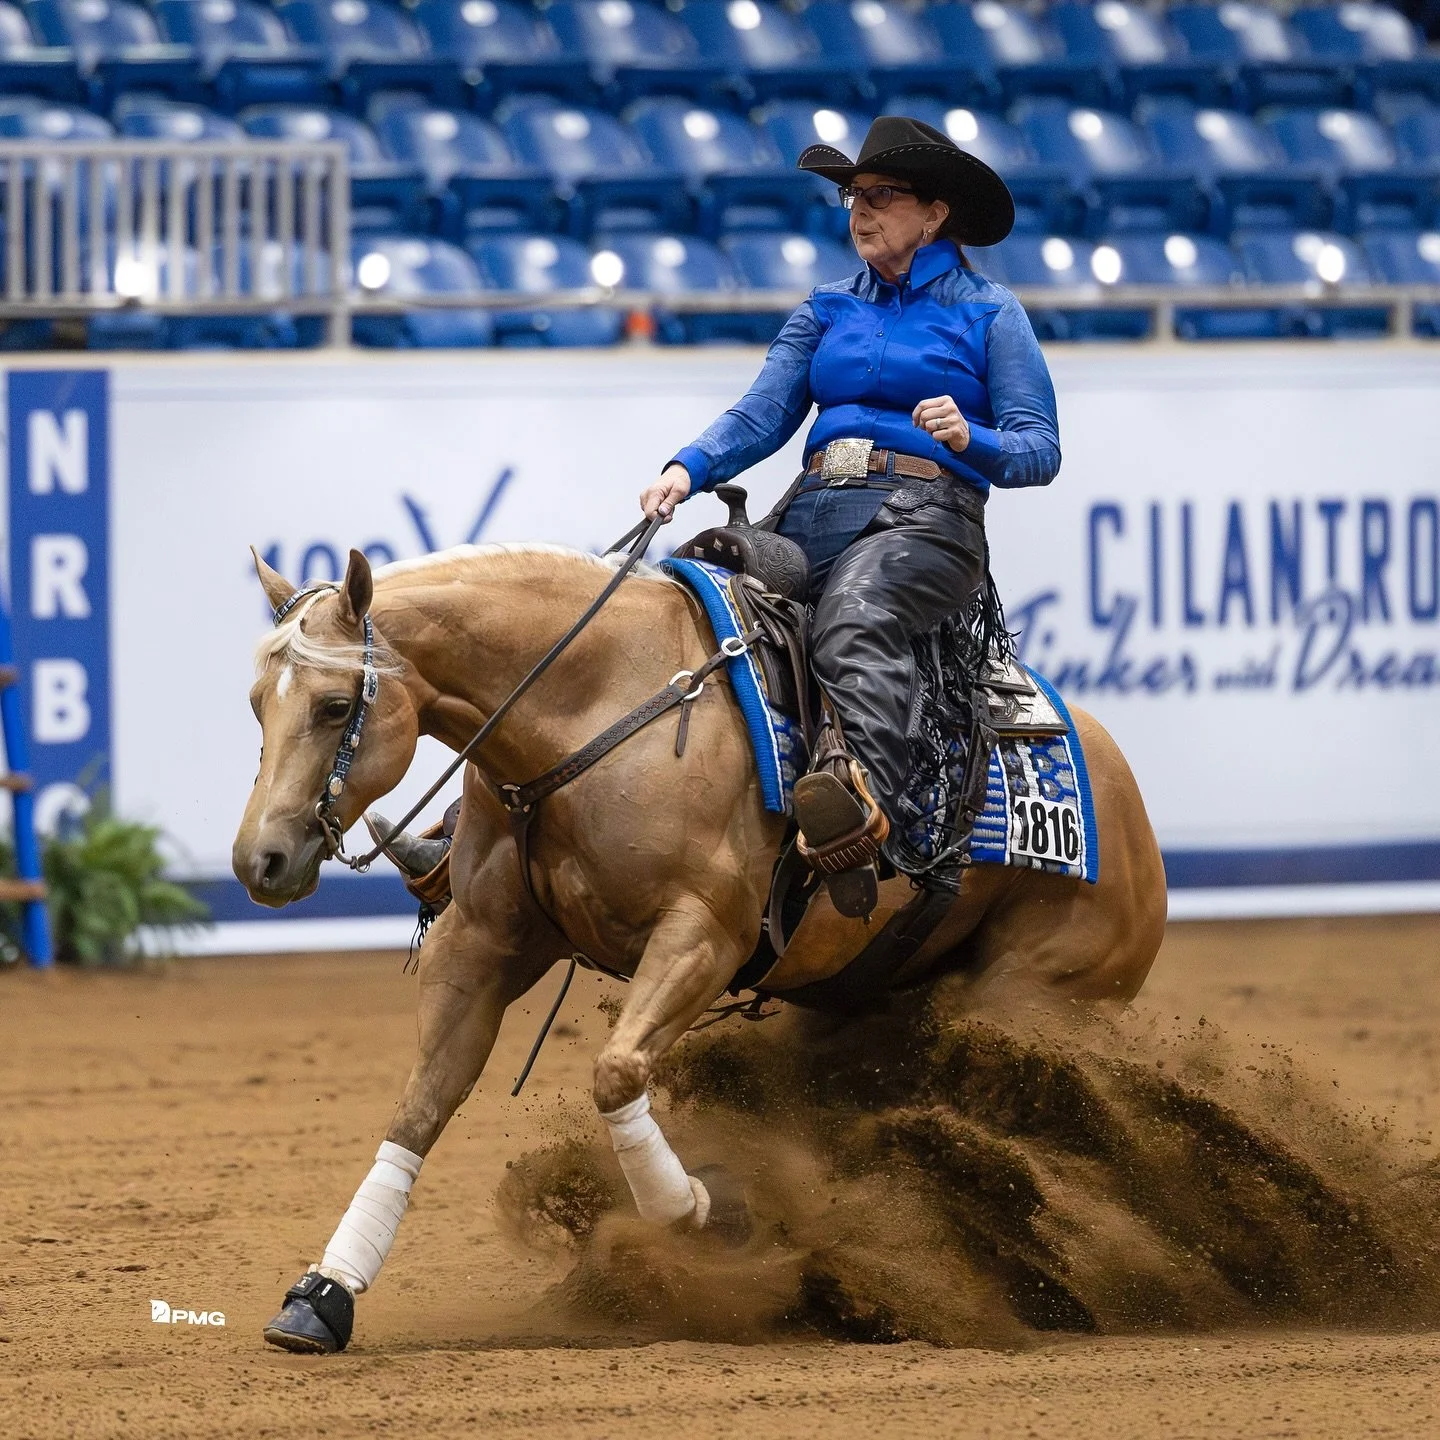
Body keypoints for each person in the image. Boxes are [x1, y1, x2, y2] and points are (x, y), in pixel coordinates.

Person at [639, 116, 1061, 918]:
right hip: (813, 509)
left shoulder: (990, 311)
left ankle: (863, 811)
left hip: (929, 519)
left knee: (853, 615)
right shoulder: (827, 307)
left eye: (881, 195)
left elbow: (1039, 449)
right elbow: (763, 413)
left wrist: (970, 438)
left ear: (934, 213)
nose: (860, 211)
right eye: (853, 196)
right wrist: (686, 468)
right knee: (679, 600)